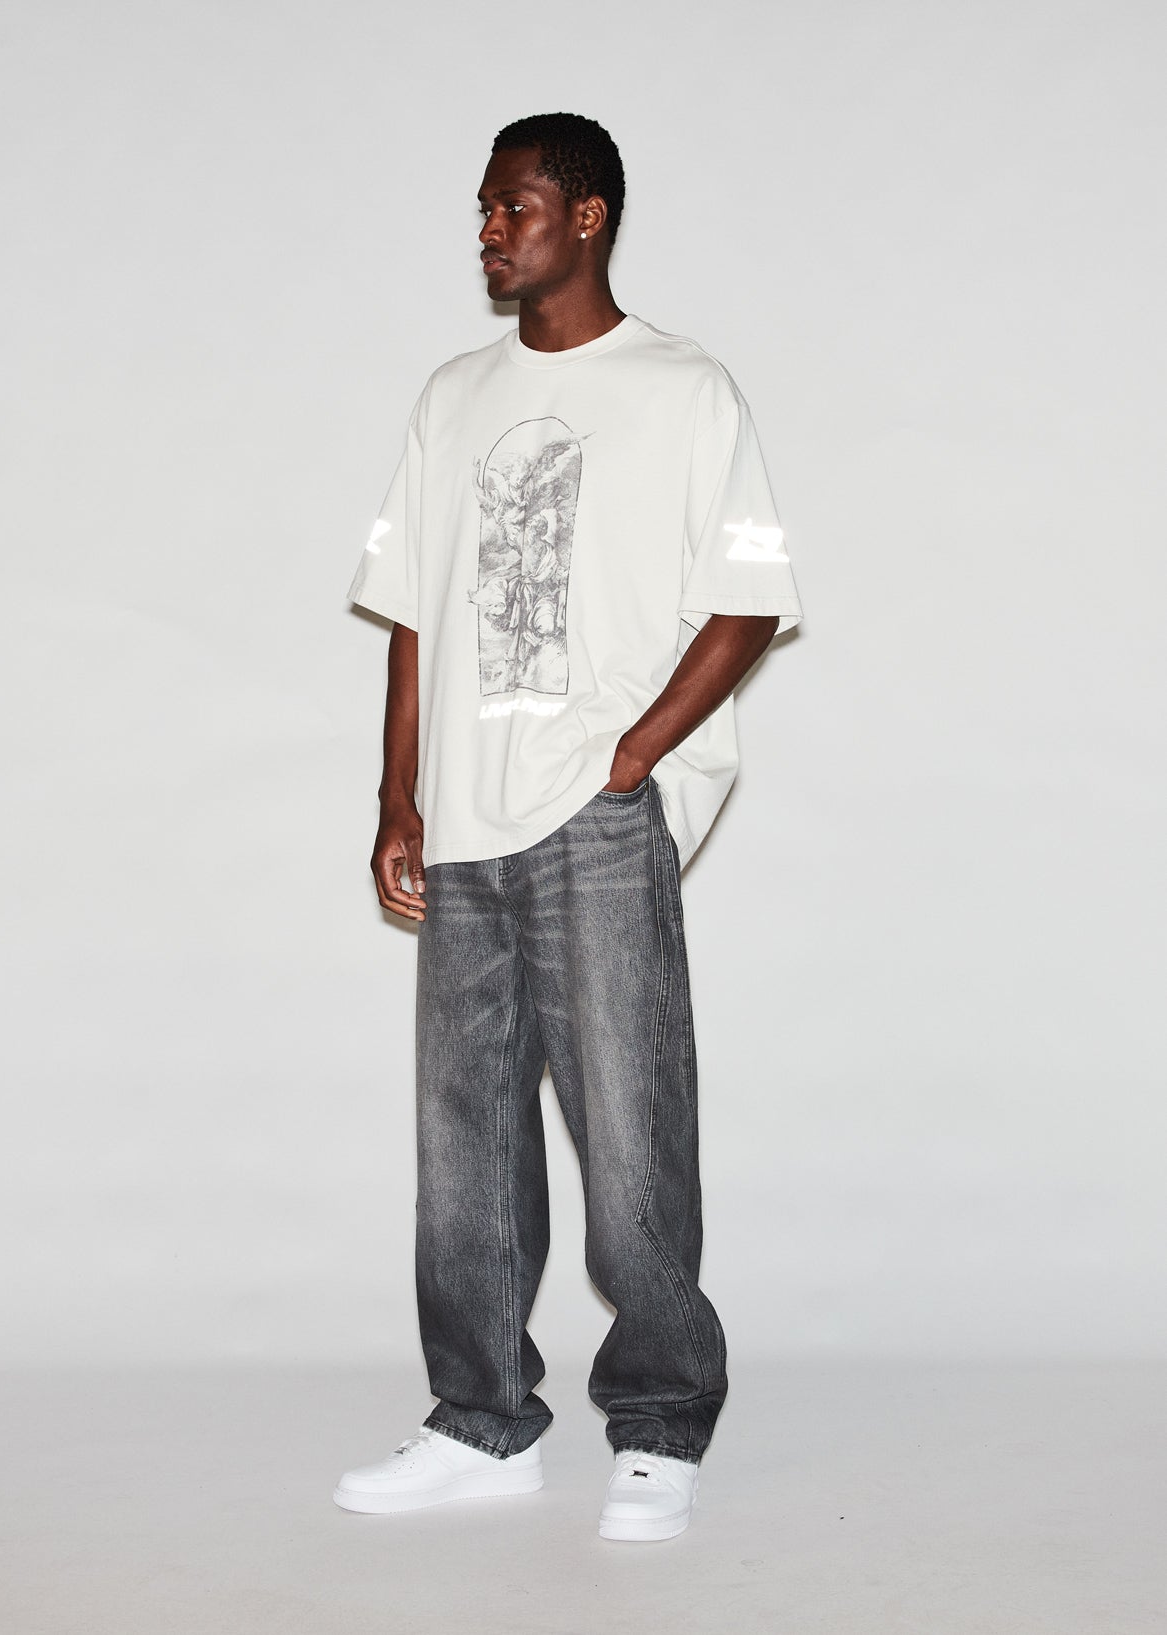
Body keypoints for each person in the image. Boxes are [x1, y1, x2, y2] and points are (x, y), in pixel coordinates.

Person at [336, 112, 803, 1542]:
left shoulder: (680, 388)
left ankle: (660, 1421)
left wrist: (632, 759)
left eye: (517, 205)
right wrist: (395, 794)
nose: (490, 228)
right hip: (465, 822)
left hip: (596, 822)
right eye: (482, 208)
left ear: (587, 216)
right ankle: (482, 1421)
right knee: (463, 1142)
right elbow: (412, 611)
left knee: (631, 1130)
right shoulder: (450, 394)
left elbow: (746, 599)